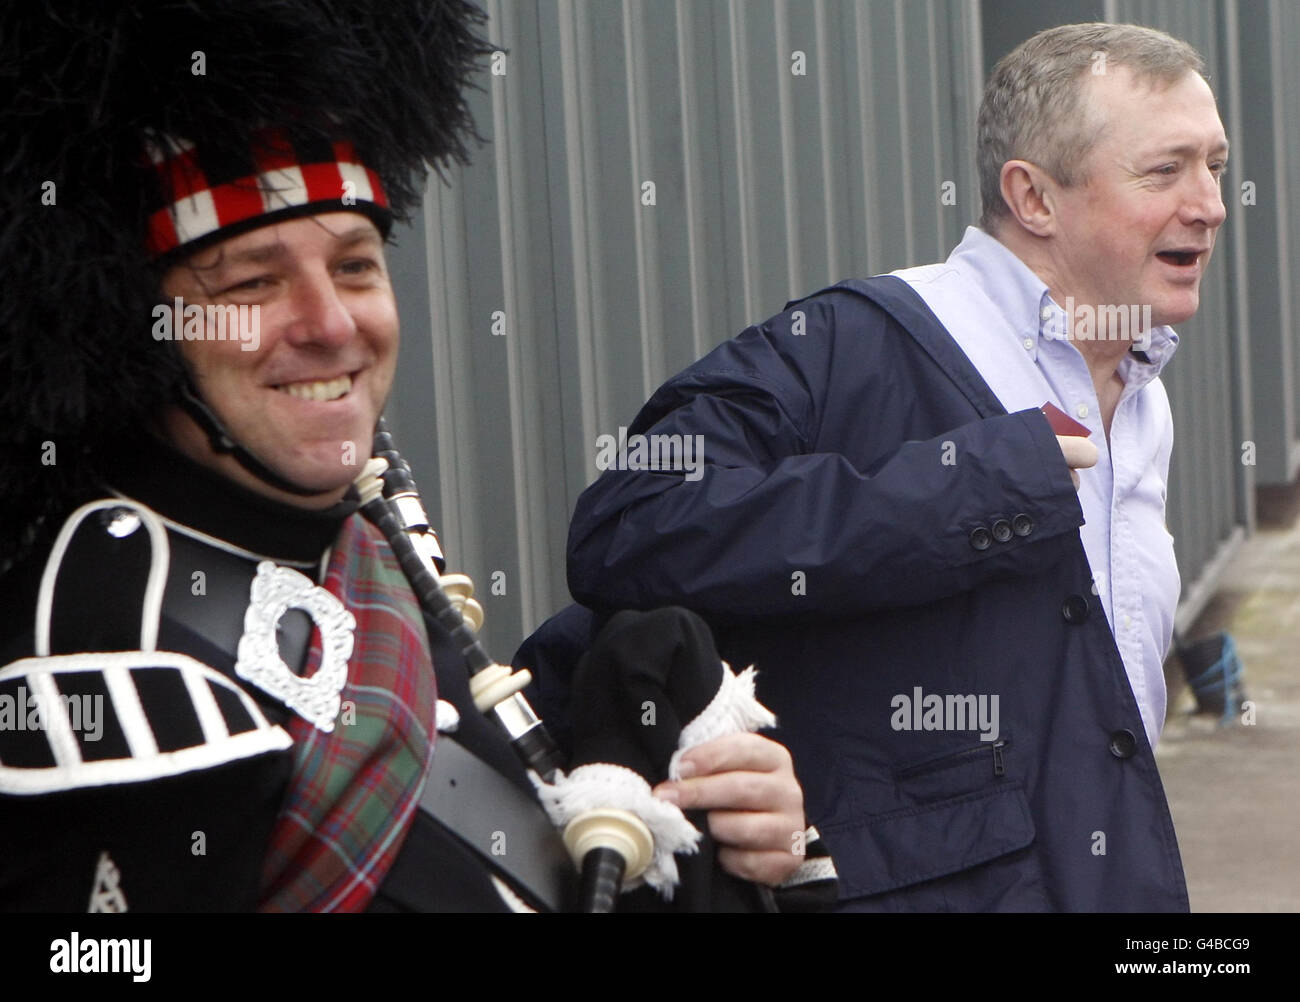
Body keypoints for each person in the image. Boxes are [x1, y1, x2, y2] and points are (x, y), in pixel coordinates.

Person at [0, 0, 826, 912]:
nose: (331, 323)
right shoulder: (102, 670)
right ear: (139, 331)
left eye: (354, 264)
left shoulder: (357, 543)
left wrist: (731, 834)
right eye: (253, 283)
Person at [563, 22, 1228, 911]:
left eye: (1216, 165)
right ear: (1033, 198)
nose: (1212, 203)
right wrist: (979, 480)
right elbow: (627, 524)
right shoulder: (847, 346)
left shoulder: (1144, 397)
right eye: (1166, 171)